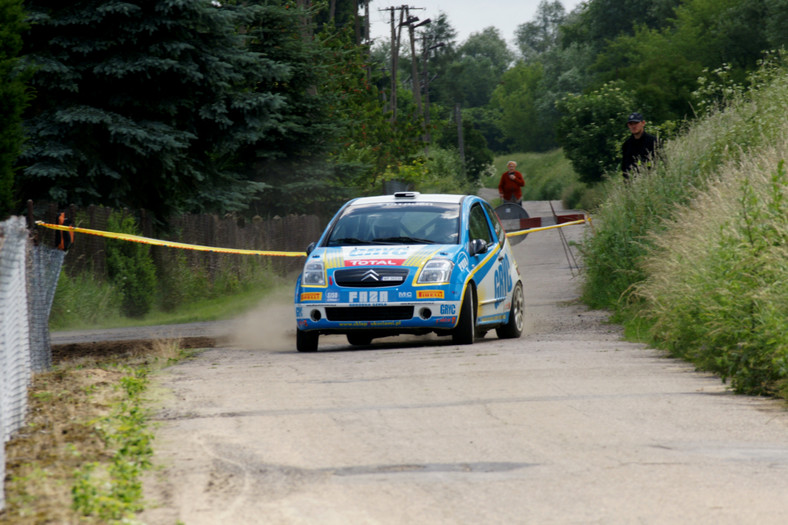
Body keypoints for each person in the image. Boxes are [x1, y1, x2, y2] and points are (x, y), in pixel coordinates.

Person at [621, 112, 659, 179]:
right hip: (634, 183)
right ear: (628, 125)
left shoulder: (653, 141)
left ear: (643, 123)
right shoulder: (627, 145)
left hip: (653, 179)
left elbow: (662, 162)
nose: (633, 126)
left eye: (636, 123)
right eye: (631, 124)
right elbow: (625, 169)